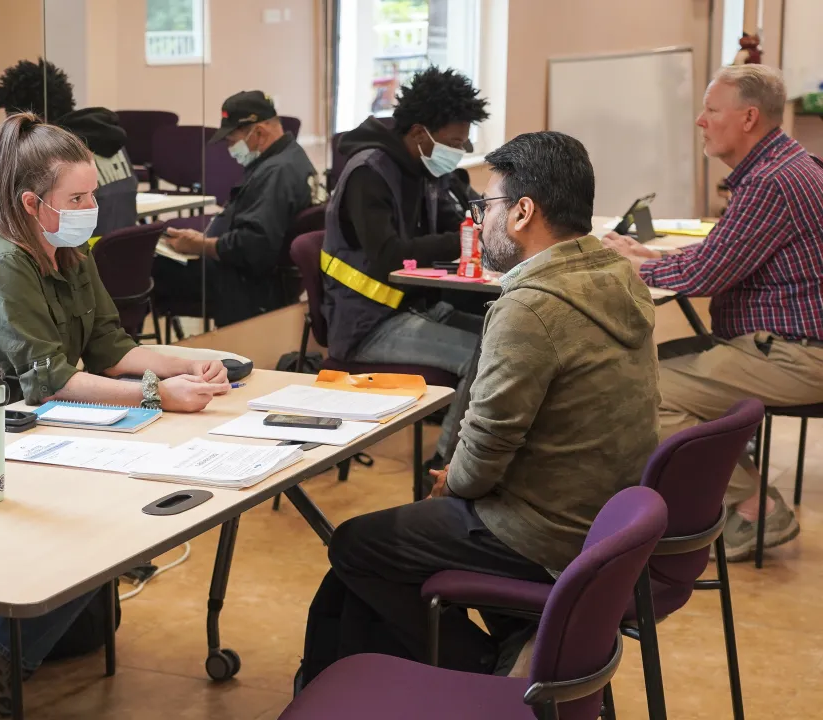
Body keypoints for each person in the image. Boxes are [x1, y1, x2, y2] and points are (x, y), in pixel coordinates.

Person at [299, 132, 660, 687]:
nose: (479, 219)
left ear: (522, 213)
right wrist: (465, 478)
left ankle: (483, 674)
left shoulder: (531, 308)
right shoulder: (618, 278)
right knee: (403, 536)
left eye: (485, 206)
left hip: (544, 533)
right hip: (603, 521)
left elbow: (483, 455)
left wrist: (454, 482)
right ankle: (513, 642)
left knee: (355, 545)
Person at [0, 113, 230, 715]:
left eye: (91, 195)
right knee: (102, 523)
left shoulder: (68, 250)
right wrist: (160, 394)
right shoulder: (3, 262)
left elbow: (111, 346)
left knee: (124, 518)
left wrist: (202, 359)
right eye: (75, 198)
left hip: (24, 420)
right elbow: (52, 379)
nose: (90, 208)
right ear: (33, 203)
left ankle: (3, 630)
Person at [604, 64, 823, 561]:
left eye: (710, 110)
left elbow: (707, 275)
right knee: (651, 366)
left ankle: (752, 506)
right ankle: (730, 492)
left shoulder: (772, 182)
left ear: (748, 118)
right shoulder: (784, 166)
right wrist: (649, 258)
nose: (700, 121)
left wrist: (624, 269)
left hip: (797, 354)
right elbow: (721, 255)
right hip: (785, 343)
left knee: (636, 390)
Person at [322, 67, 488, 468]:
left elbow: (464, 215)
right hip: (367, 324)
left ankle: (493, 457)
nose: (461, 149)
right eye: (454, 141)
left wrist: (492, 223)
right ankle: (448, 467)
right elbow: (388, 257)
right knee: (481, 356)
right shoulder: (369, 173)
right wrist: (465, 238)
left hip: (415, 307)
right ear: (419, 134)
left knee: (503, 337)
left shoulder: (429, 170)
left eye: (466, 140)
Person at [154, 90, 323, 327]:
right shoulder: (288, 158)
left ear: (259, 133)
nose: (230, 148)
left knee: (145, 268)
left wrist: (200, 245)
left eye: (232, 140)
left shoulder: (277, 174)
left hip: (246, 284)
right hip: (252, 280)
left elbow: (254, 247)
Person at [0, 58, 138, 238]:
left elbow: (13, 237)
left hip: (74, 268)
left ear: (32, 121)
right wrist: (2, 196)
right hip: (116, 267)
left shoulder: (54, 155)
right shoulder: (108, 139)